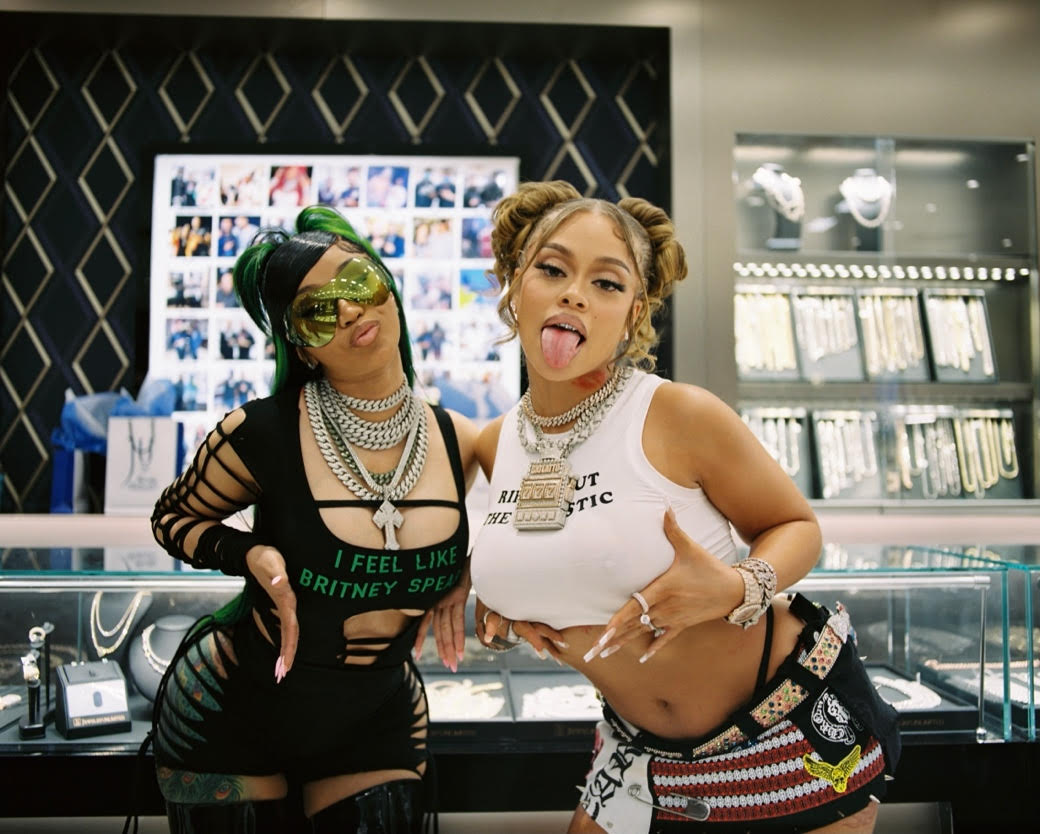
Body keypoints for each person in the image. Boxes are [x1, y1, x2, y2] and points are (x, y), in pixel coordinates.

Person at [469, 181, 901, 834]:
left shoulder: (676, 414)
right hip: (641, 753)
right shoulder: (497, 443)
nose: (575, 294)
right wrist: (501, 600)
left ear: (634, 310)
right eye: (552, 270)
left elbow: (796, 527)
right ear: (513, 283)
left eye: (607, 283)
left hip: (788, 728)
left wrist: (735, 585)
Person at [148, 205, 479, 833]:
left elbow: (544, 510)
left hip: (376, 719)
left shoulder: (455, 438)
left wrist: (469, 568)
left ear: (387, 286)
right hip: (231, 706)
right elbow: (173, 517)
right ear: (298, 345)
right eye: (316, 310)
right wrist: (247, 553)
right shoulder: (261, 433)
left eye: (358, 282)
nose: (349, 310)